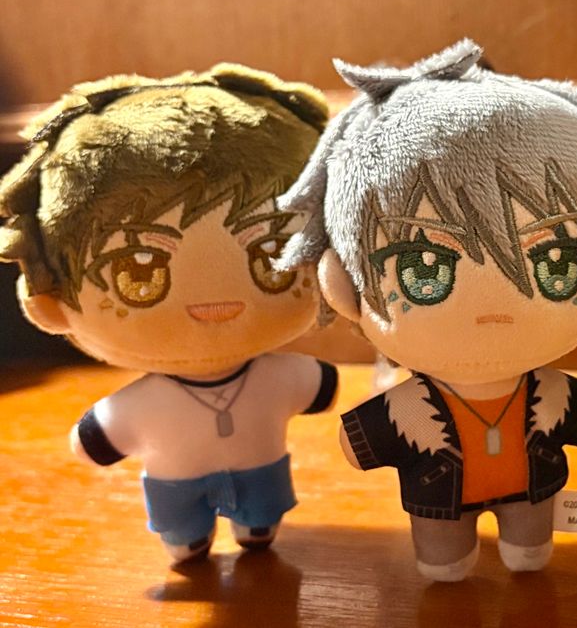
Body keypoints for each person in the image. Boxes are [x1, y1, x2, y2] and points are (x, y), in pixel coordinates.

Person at [278, 40, 577, 580]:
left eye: (557, 262)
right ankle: (451, 557)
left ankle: (518, 548)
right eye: (422, 270)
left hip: (533, 498)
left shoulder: (548, 394)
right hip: (440, 508)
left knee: (527, 554)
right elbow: (360, 442)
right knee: (445, 566)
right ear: (343, 287)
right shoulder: (410, 412)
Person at [0, 65, 338, 563]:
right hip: (177, 487)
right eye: (139, 269)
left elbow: (323, 389)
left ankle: (255, 525)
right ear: (51, 302)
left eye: (270, 252)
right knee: (184, 530)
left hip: (260, 475)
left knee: (261, 513)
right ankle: (190, 536)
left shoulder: (271, 378)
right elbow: (95, 439)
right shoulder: (154, 401)